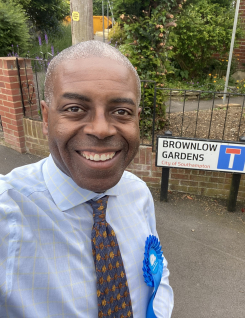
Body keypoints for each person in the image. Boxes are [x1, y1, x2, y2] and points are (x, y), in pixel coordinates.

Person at [0, 41, 173, 317]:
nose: (102, 129)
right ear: (46, 118)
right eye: (74, 108)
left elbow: (158, 271)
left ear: (137, 120)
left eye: (121, 112)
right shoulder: (8, 211)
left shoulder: (138, 193)